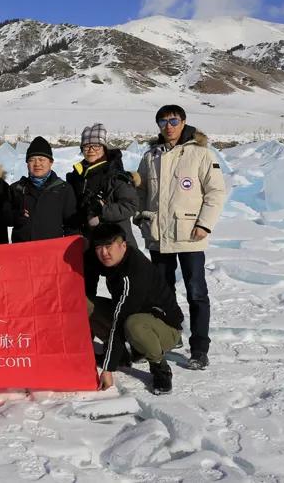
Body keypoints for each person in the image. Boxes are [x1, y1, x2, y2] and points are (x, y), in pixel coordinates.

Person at [136, 105, 226, 371]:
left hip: (190, 233)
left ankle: (199, 348)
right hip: (159, 234)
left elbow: (216, 192)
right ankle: (169, 337)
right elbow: (141, 191)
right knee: (162, 292)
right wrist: (142, 218)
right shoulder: (150, 156)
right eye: (163, 121)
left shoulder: (200, 154)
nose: (168, 126)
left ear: (184, 121)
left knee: (196, 291)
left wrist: (205, 225)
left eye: (173, 120)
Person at [90, 223, 184, 395]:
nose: (104, 253)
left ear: (123, 245)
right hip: (133, 317)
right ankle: (121, 356)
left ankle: (159, 367)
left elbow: (119, 320)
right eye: (99, 247)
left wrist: (107, 368)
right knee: (87, 305)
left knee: (134, 324)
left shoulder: (132, 273)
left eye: (109, 246)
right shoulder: (114, 259)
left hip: (165, 329)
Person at [65, 123, 140, 305]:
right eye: (86, 146)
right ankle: (86, 332)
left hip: (114, 243)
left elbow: (131, 205)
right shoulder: (77, 176)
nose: (90, 150)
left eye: (95, 146)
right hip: (87, 244)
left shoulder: (115, 175)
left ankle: (123, 330)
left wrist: (103, 212)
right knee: (84, 295)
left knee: (122, 293)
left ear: (104, 147)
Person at [4, 136, 78, 243]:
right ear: (27, 164)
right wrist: (15, 216)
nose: (37, 164)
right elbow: (4, 218)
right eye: (32, 160)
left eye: (41, 159)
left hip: (51, 252)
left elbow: (72, 225)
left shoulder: (63, 189)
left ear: (51, 162)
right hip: (22, 253)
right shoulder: (16, 188)